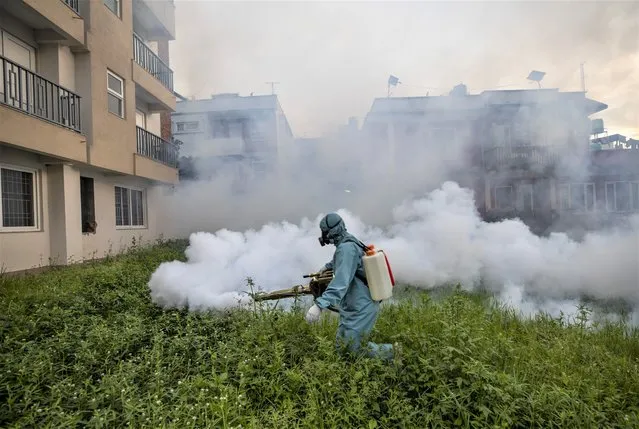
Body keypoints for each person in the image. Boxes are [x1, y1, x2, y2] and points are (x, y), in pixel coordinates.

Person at [305, 212, 395, 361]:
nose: (324, 236)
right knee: (342, 346)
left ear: (332, 232)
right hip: (353, 303)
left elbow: (341, 282)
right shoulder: (347, 242)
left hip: (362, 305)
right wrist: (327, 267)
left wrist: (319, 306)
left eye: (325, 232)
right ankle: (345, 372)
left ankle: (394, 353)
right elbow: (341, 261)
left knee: (355, 347)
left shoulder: (346, 248)